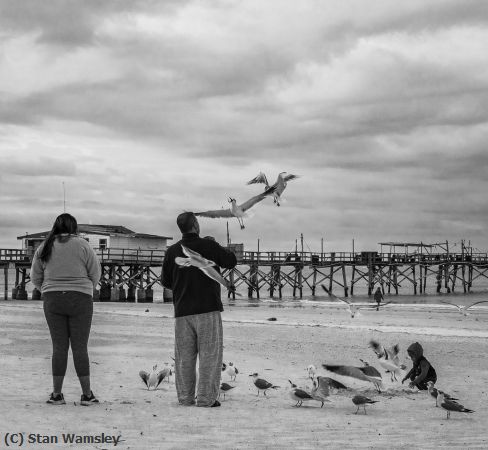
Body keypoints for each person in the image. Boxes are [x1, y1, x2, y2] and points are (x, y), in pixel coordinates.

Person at [162, 212, 237, 407]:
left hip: (182, 312)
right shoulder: (209, 246)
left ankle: (185, 398)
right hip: (208, 309)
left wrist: (184, 283)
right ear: (195, 224)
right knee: (210, 356)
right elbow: (231, 261)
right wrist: (216, 246)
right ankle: (205, 398)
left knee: (184, 358)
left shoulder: (171, 252)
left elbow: (166, 282)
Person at [30, 213, 101, 406]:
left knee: (59, 348)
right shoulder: (83, 245)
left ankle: (56, 394)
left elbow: (35, 276)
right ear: (74, 227)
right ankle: (87, 395)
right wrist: (86, 289)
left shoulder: (45, 246)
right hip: (81, 299)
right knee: (80, 348)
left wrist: (47, 289)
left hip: (52, 300)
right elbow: (95, 273)